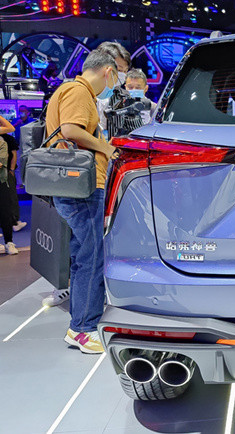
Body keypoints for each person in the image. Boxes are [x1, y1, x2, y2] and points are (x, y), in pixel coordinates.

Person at [44, 48, 118, 354]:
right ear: (108, 72)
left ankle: (82, 323)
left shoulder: (72, 90)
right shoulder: (78, 92)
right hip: (82, 186)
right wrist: (105, 147)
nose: (113, 85)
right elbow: (71, 130)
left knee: (84, 254)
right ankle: (83, 329)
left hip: (77, 185)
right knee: (90, 256)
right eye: (115, 77)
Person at [95, 42, 131, 133]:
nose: (123, 75)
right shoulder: (83, 92)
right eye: (119, 70)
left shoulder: (124, 97)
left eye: (125, 71)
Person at [0, 115, 18, 255]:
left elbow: (10, 128)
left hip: (2, 179)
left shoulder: (4, 139)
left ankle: (9, 242)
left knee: (6, 210)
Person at [2, 133, 26, 231]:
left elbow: (13, 154)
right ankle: (14, 222)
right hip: (6, 172)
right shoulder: (8, 138)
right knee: (11, 197)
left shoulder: (8, 138)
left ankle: (14, 222)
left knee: (11, 197)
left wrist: (11, 169)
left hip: (7, 172)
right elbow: (14, 154)